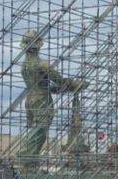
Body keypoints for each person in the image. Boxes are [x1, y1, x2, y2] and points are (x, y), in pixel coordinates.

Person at [19, 30, 84, 167]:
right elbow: (59, 80)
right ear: (38, 46)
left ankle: (29, 161)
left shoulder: (24, 66)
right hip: (42, 99)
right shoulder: (42, 64)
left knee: (35, 128)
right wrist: (74, 85)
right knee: (40, 129)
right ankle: (25, 155)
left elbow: (45, 84)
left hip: (30, 98)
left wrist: (57, 88)